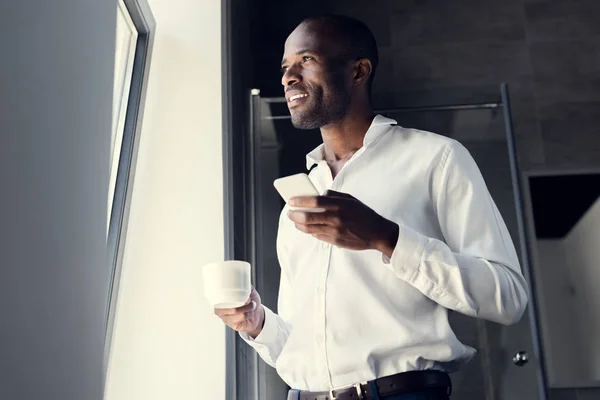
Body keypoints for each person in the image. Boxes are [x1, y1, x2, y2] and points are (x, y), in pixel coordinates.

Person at [215, 14, 529, 400]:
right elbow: (302, 351)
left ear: (359, 71)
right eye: (285, 67)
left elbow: (509, 297)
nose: (288, 77)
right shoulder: (298, 201)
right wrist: (259, 324)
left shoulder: (436, 159)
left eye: (306, 60)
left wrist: (387, 238)